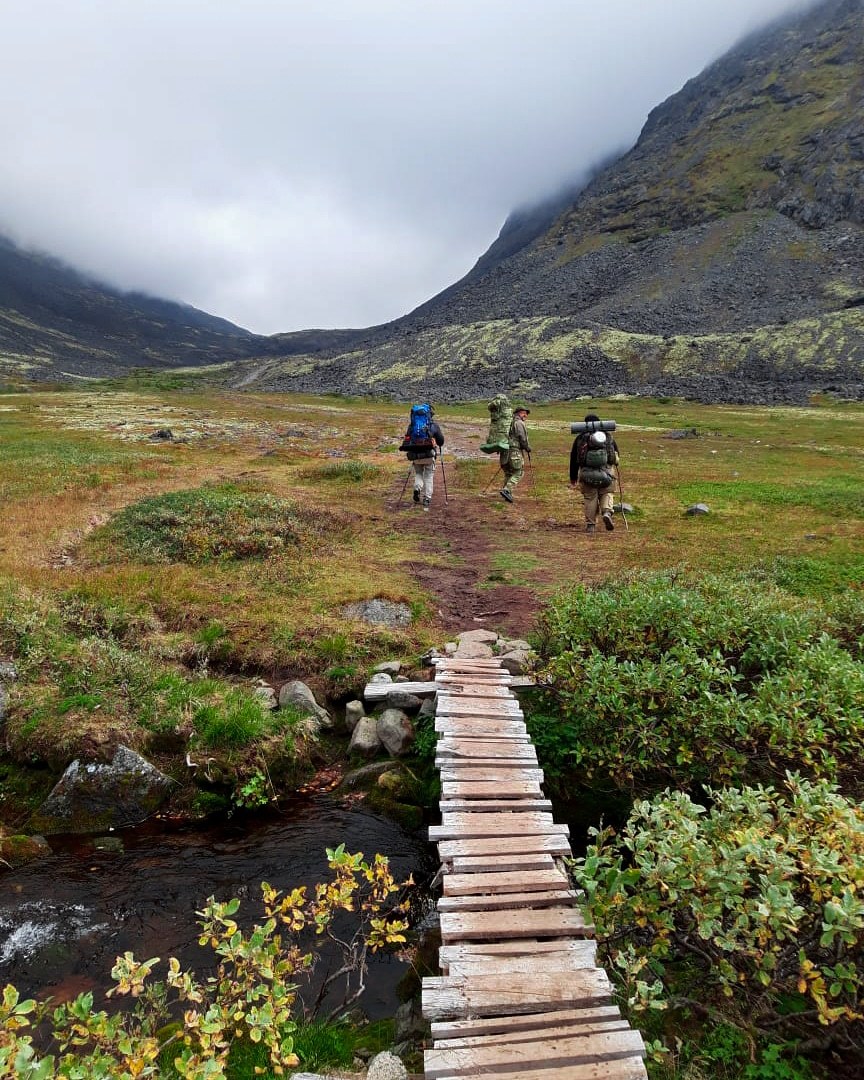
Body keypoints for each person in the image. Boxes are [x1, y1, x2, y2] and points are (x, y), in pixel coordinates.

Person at [570, 412, 620, 533]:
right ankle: (607, 512)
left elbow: (574, 458)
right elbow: (615, 456)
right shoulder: (607, 436)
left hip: (586, 473)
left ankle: (591, 525)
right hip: (607, 472)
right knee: (607, 493)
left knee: (590, 498)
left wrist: (573, 476)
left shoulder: (580, 438)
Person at [406, 407, 445, 511]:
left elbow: (407, 439)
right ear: (430, 415)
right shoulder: (433, 426)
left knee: (418, 473)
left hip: (416, 455)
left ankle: (417, 488)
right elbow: (441, 441)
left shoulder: (412, 426)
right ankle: (427, 498)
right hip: (429, 455)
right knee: (428, 476)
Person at [500, 406, 531, 503]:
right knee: (519, 472)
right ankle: (507, 490)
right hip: (515, 451)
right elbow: (522, 438)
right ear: (518, 413)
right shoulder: (519, 423)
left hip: (504, 452)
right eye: (524, 413)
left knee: (508, 472)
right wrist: (527, 448)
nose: (525, 415)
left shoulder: (507, 423)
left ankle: (506, 493)